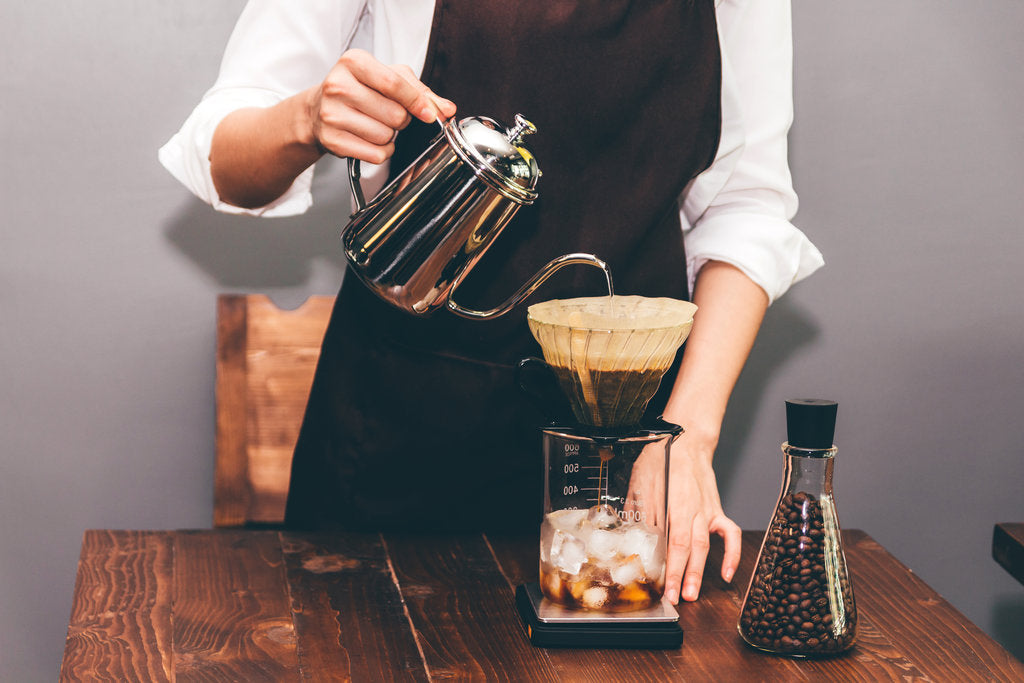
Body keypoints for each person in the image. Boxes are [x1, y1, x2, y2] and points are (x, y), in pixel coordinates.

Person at [160, 0, 823, 605]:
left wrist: (687, 435)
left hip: (621, 458)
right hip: (399, 440)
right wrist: (305, 119)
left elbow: (746, 208)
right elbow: (221, 150)